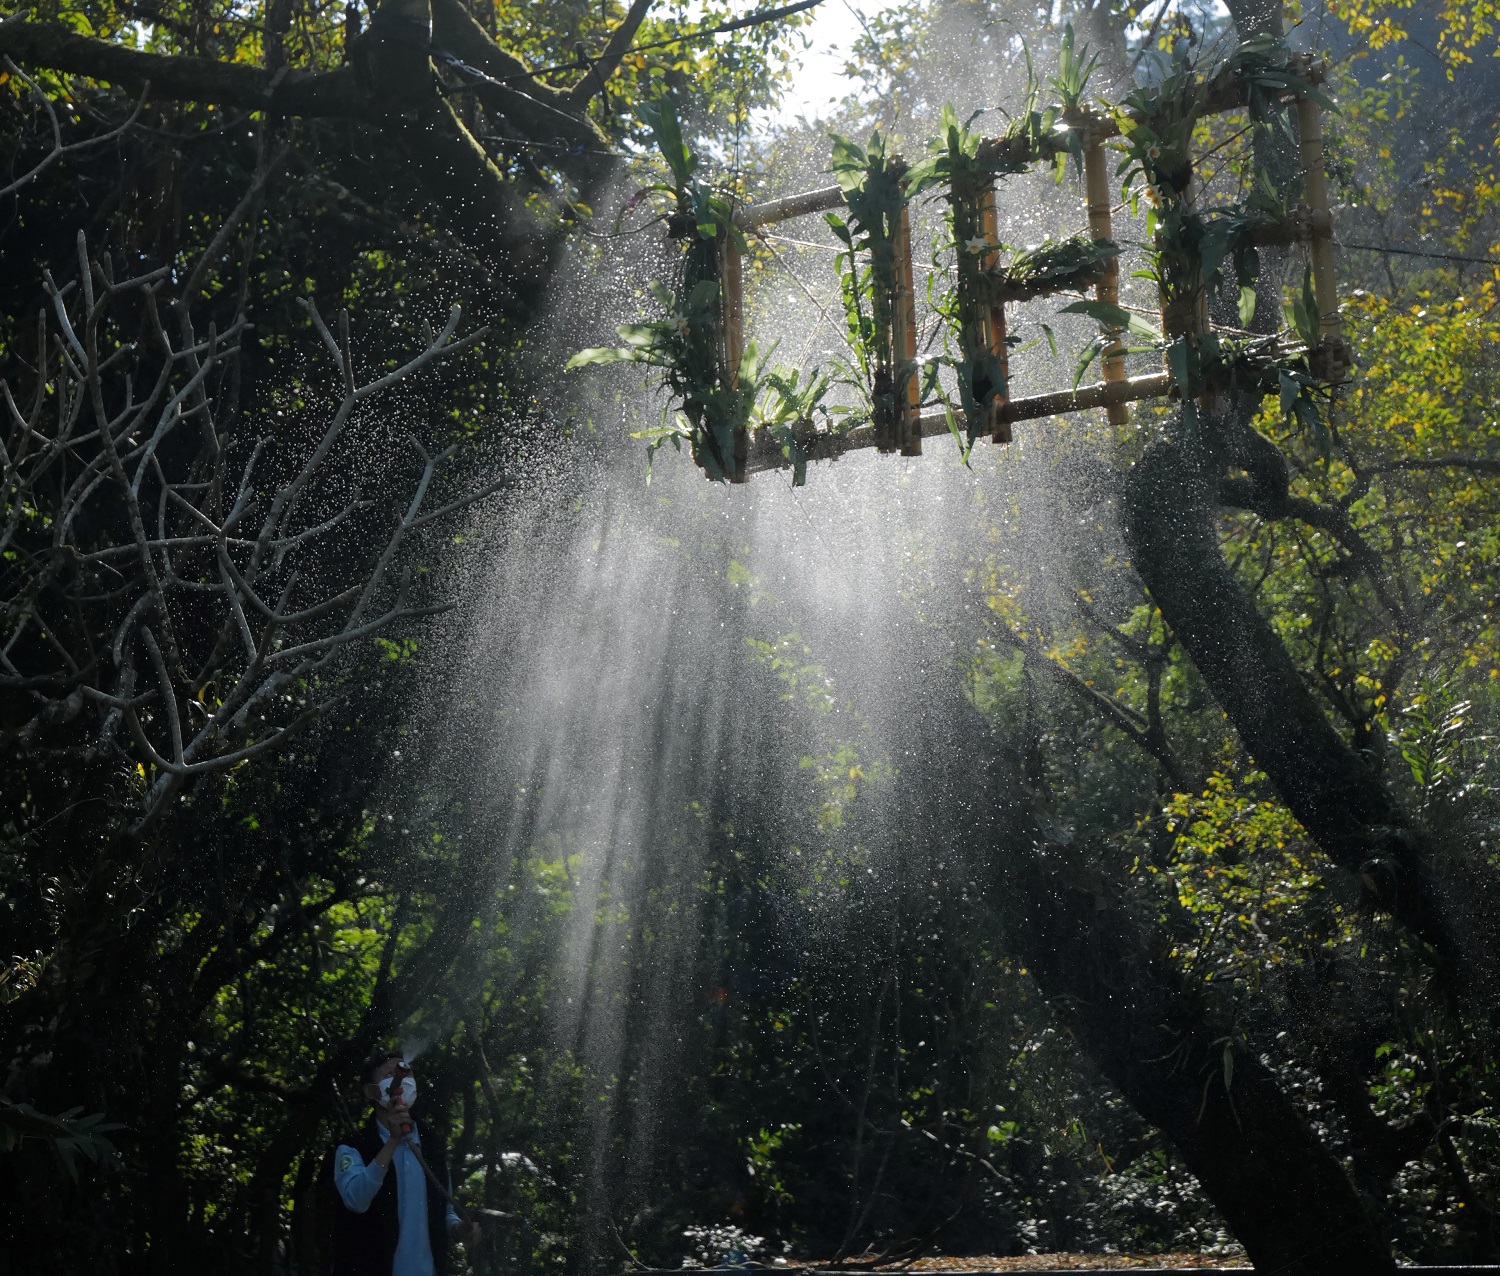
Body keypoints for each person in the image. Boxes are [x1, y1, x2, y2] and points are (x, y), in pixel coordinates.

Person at [331, 1051, 482, 1276]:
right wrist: (392, 1141)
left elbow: (444, 1211)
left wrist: (458, 1229)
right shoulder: (353, 1148)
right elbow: (356, 1200)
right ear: (371, 1091)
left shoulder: (431, 1144)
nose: (401, 1080)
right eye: (390, 1074)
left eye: (405, 1073)